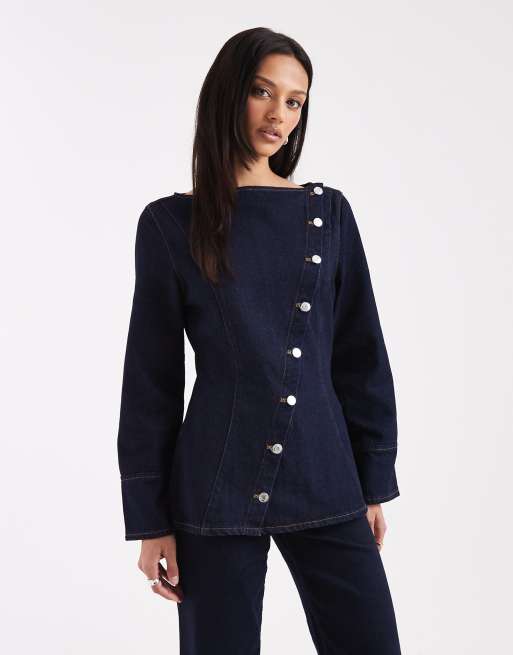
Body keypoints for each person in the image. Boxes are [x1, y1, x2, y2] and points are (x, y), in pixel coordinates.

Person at [117, 26, 402, 655]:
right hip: (214, 486)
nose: (279, 114)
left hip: (327, 475)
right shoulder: (170, 223)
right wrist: (150, 519)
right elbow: (150, 382)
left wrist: (373, 481)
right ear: (228, 93)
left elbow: (360, 356)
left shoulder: (328, 215)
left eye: (295, 101)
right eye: (262, 91)